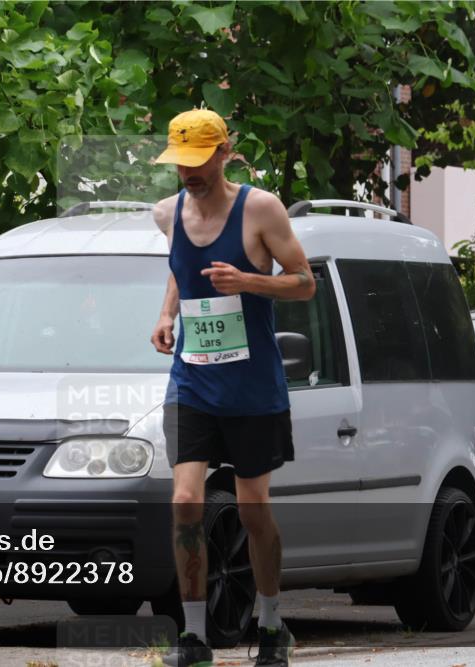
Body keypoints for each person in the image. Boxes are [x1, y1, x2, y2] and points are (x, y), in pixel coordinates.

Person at [150, 108, 315, 667]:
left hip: (252, 387)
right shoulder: (165, 213)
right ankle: (194, 637)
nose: (189, 174)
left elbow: (305, 283)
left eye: (199, 162)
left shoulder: (260, 209)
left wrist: (249, 281)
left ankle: (271, 626)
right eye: (181, 164)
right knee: (186, 502)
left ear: (224, 153)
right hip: (192, 381)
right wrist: (167, 314)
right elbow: (180, 266)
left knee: (252, 509)